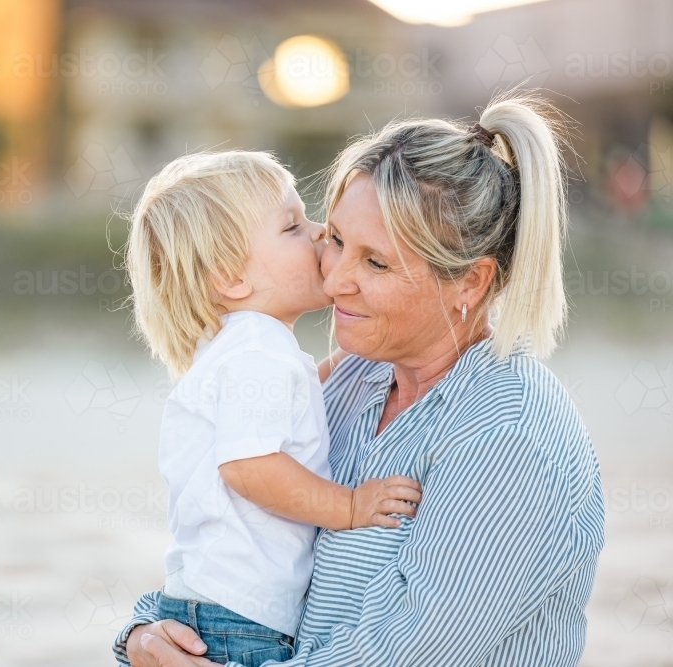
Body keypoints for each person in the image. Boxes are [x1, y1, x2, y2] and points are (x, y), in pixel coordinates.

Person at [115, 93, 605, 667]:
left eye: (375, 262)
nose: (335, 276)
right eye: (339, 240)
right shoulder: (355, 378)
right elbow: (232, 544)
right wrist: (143, 635)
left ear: (470, 283)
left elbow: (402, 653)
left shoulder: (510, 435)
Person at [121, 151, 423, 667]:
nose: (318, 232)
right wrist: (348, 507)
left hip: (211, 603)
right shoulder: (258, 351)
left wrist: (346, 358)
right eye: (291, 226)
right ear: (231, 278)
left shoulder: (240, 348)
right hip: (241, 618)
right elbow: (249, 466)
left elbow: (288, 403)